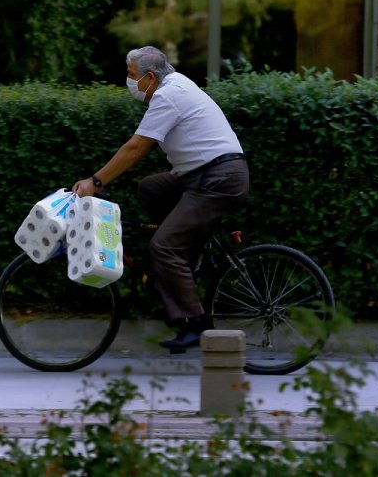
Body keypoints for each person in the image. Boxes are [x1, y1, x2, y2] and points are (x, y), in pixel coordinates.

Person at [73, 46, 250, 352]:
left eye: (131, 76)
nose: (128, 82)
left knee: (163, 246)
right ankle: (185, 251)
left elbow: (136, 147)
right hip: (202, 175)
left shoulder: (168, 96)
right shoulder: (177, 83)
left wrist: (96, 182)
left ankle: (195, 324)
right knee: (150, 188)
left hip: (218, 179)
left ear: (150, 77)